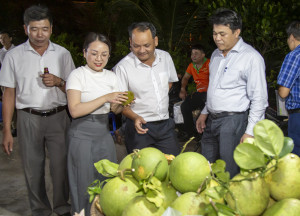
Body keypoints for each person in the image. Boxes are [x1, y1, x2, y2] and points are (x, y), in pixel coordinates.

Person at [0, 5, 75, 216]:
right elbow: (9, 93)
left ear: (51, 28)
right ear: (25, 29)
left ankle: (62, 207)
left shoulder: (63, 54)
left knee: (61, 166)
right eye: (34, 29)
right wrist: (7, 129)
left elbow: (73, 87)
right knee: (32, 169)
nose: (39, 34)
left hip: (59, 116)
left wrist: (59, 81)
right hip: (28, 118)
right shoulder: (13, 56)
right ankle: (40, 210)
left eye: (44, 28)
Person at [195, 8, 268, 177]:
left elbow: (259, 99)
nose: (217, 38)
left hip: (233, 122)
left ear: (237, 32)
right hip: (212, 121)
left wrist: (250, 131)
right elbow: (213, 88)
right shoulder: (215, 55)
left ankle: (229, 202)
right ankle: (209, 199)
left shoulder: (251, 58)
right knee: (206, 167)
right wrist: (205, 113)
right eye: (214, 33)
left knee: (229, 170)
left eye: (222, 34)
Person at [66, 32, 128, 215]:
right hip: (81, 135)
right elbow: (75, 110)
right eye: (94, 53)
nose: (99, 59)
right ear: (84, 53)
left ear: (109, 55)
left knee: (105, 182)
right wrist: (106, 98)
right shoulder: (77, 75)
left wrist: (121, 104)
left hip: (103, 134)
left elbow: (113, 110)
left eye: (104, 54)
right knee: (82, 184)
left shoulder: (111, 77)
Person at [114, 22, 181, 156]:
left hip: (166, 125)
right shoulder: (122, 67)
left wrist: (155, 99)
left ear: (155, 41)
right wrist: (135, 117)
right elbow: (121, 105)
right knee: (142, 172)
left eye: (146, 45)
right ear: (130, 42)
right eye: (136, 46)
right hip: (139, 128)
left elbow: (169, 83)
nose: (141, 50)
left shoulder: (165, 58)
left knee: (173, 165)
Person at [277, 21, 300, 156]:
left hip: (298, 115)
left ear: (291, 37)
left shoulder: (294, 55)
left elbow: (283, 92)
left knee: (296, 157)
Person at [179, 44, 210, 141]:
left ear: (203, 55)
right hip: (199, 94)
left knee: (203, 107)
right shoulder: (191, 66)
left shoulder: (210, 63)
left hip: (209, 94)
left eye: (196, 53)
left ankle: (204, 134)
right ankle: (191, 133)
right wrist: (183, 89)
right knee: (184, 106)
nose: (193, 56)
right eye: (192, 54)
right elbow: (185, 78)